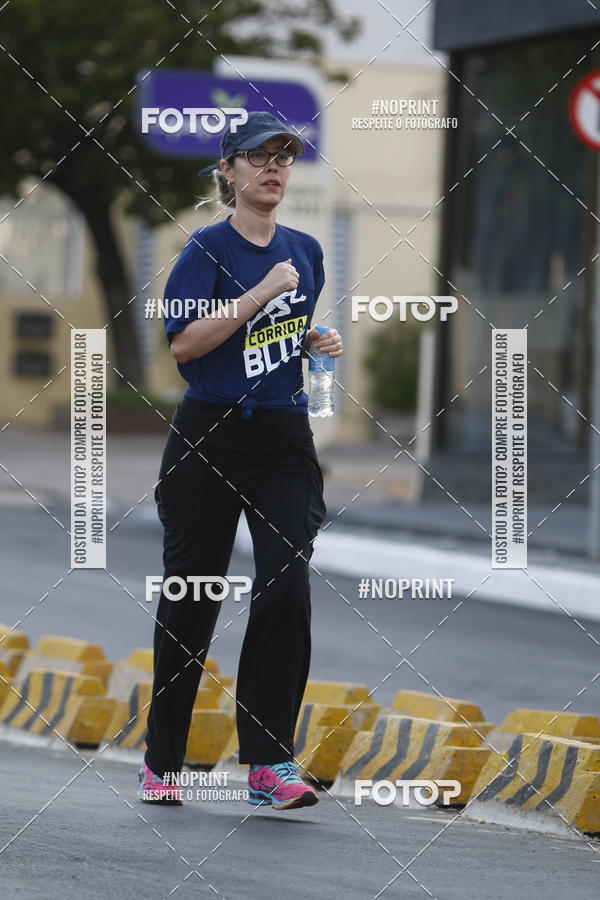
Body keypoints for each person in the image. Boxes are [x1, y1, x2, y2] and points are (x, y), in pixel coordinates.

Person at [137, 110, 343, 810]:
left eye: (284, 157)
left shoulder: (306, 250)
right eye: (258, 157)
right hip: (208, 439)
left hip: (283, 439)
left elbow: (277, 332)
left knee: (286, 589)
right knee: (193, 597)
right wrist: (260, 295)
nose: (274, 168)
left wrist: (312, 340)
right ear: (228, 170)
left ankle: (268, 763)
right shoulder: (207, 249)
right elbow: (187, 346)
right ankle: (162, 762)